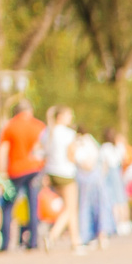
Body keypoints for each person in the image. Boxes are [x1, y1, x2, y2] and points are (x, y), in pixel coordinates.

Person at [0, 100, 46, 251]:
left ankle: (5, 243)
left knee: (8, 205)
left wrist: (1, 172)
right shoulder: (39, 126)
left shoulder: (10, 126)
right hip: (35, 168)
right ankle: (33, 242)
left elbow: (3, 150)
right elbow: (43, 149)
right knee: (33, 204)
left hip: (16, 170)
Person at [43, 106, 80, 252]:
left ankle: (75, 241)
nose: (71, 118)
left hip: (52, 171)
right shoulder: (68, 133)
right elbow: (71, 156)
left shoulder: (48, 132)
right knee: (70, 208)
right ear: (60, 116)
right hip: (66, 172)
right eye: (69, 115)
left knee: (69, 207)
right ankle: (53, 235)